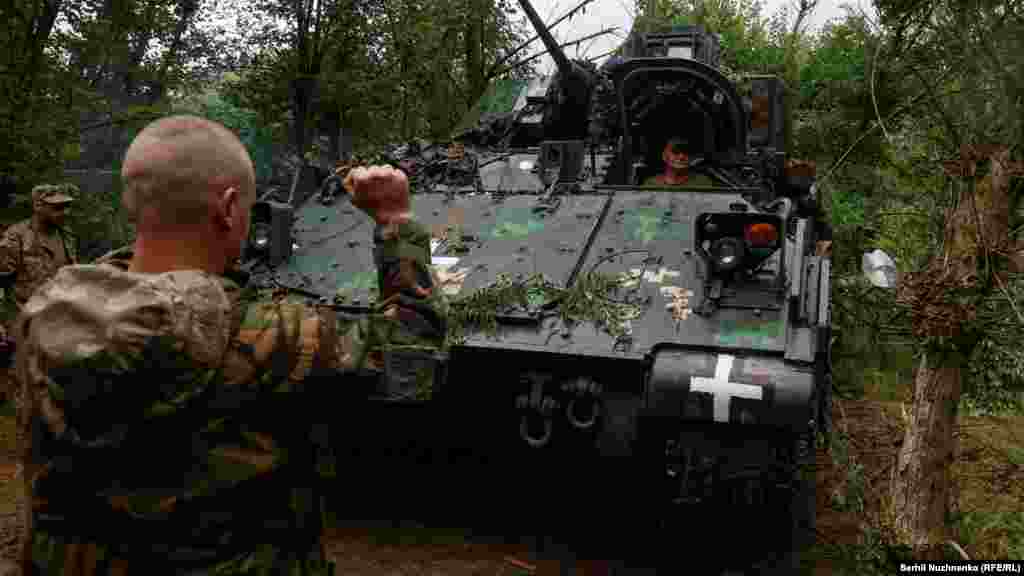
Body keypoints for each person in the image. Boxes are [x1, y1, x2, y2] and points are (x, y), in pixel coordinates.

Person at [10, 115, 447, 575]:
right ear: (230, 207)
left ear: (129, 204)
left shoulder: (46, 313)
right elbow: (411, 355)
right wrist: (395, 221)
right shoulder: (272, 334)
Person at [0, 184, 77, 409]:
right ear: (38, 206)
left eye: (66, 207)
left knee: (53, 387)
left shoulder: (67, 236)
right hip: (23, 321)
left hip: (57, 322)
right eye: (57, 207)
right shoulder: (16, 237)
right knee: (23, 386)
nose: (64, 212)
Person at [642, 137, 715, 187]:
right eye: (675, 151)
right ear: (664, 155)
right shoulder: (651, 184)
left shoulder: (702, 183)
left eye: (686, 152)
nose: (681, 157)